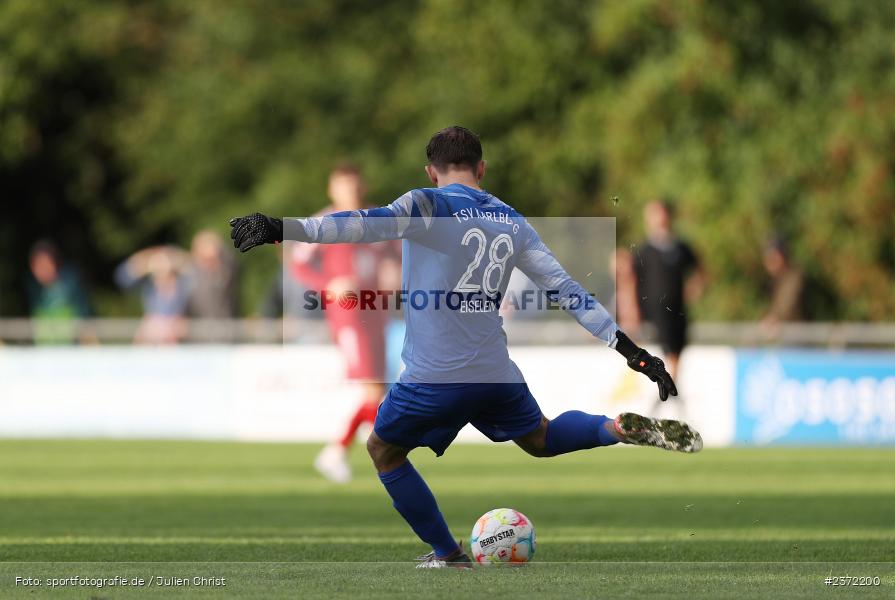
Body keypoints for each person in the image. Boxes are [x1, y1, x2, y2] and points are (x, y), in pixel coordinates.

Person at [229, 126, 702, 569]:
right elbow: (567, 290)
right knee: (541, 437)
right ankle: (615, 426)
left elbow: (358, 225)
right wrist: (632, 351)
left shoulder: (425, 203)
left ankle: (447, 553)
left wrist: (279, 227)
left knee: (383, 451)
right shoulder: (513, 221)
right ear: (482, 169)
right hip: (494, 374)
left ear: (431, 172)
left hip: (431, 376)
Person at [289, 164, 399, 483]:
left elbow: (397, 253)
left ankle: (338, 451)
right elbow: (299, 265)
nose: (350, 193)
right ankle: (386, 450)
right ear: (332, 190)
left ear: (362, 187)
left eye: (354, 186)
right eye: (343, 187)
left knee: (377, 390)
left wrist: (394, 270)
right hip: (348, 315)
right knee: (372, 389)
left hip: (377, 311)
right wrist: (330, 285)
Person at [632, 200, 705, 382]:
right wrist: (633, 311)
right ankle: (666, 385)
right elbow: (631, 282)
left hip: (677, 312)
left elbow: (701, 270)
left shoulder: (679, 248)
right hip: (652, 316)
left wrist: (695, 288)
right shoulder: (644, 251)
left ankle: (669, 387)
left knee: (676, 351)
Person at [115, 246, 191, 344]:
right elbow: (122, 277)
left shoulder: (183, 287)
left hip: (177, 340)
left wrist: (172, 255)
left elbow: (194, 269)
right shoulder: (149, 287)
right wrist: (146, 257)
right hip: (152, 340)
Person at [26, 240, 93, 344]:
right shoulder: (33, 288)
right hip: (42, 353)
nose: (42, 270)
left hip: (70, 352)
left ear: (55, 263)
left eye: (46, 264)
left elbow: (85, 321)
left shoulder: (71, 284)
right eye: (38, 265)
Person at [187, 230, 239, 320]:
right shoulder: (191, 274)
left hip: (224, 325)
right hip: (199, 327)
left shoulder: (225, 271)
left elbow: (231, 262)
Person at [761, 237, 804, 335]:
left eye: (774, 256)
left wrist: (774, 318)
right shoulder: (775, 280)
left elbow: (787, 302)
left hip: (797, 341)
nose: (770, 261)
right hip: (785, 339)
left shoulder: (794, 277)